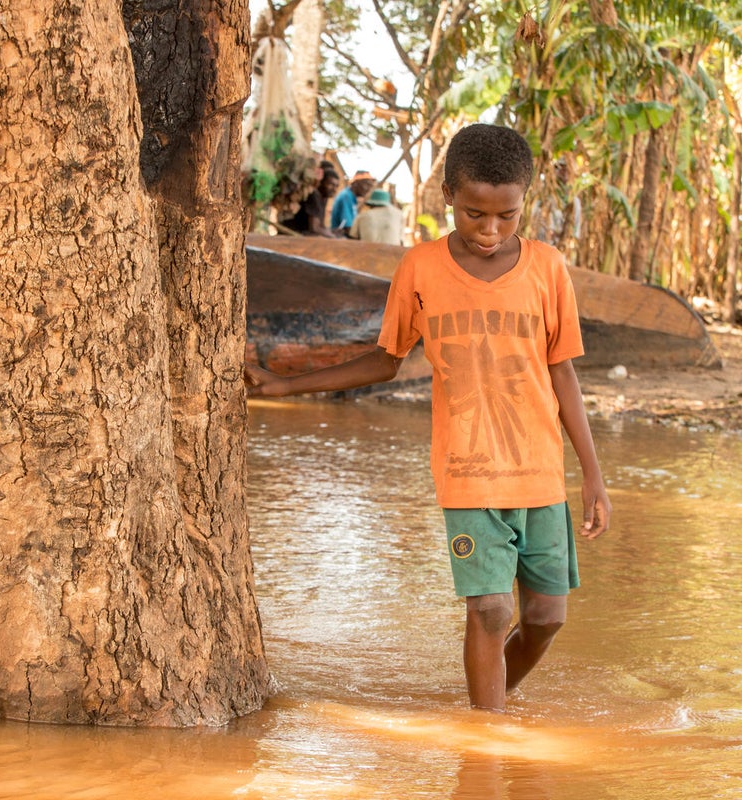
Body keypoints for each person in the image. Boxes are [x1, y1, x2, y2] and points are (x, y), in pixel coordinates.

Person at [245, 123, 611, 713]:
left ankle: (487, 697)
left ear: (525, 203)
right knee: (490, 610)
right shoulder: (420, 269)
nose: (490, 230)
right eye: (474, 215)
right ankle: (484, 740)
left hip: (540, 471)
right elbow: (385, 360)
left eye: (507, 216)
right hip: (466, 472)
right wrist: (286, 384)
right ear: (447, 196)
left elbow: (563, 374)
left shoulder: (547, 269)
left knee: (545, 618)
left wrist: (593, 476)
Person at [284, 162, 341, 237]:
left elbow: (320, 225)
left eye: (336, 186)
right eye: (331, 184)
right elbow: (314, 228)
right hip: (293, 235)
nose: (334, 189)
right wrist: (332, 236)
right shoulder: (314, 195)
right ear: (321, 182)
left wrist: (331, 231)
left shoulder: (323, 199)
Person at [330, 170, 374, 237]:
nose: (368, 189)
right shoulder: (346, 197)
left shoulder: (351, 198)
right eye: (366, 184)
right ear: (355, 183)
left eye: (370, 186)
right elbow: (348, 229)